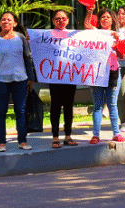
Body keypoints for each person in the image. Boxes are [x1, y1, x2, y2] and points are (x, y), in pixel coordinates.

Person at [0, 11, 37, 152]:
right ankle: (1, 142)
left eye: (9, 19)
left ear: (15, 23)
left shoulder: (21, 38)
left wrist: (31, 77)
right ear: (0, 23)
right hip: (0, 79)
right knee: (1, 112)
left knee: (20, 111)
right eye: (3, 19)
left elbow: (28, 58)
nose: (5, 21)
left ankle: (22, 141)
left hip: (20, 79)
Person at [87, 10, 123, 144]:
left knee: (112, 104)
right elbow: (87, 24)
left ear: (112, 20)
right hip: (97, 73)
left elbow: (122, 56)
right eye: (103, 17)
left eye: (108, 17)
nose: (105, 19)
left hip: (113, 72)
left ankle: (116, 133)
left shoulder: (117, 35)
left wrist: (117, 45)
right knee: (97, 105)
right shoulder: (95, 33)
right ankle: (96, 135)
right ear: (99, 20)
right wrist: (89, 12)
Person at [47, 10, 79, 148]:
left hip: (70, 76)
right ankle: (55, 137)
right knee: (55, 105)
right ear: (53, 21)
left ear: (67, 20)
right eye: (57, 18)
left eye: (63, 18)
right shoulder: (46, 36)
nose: (61, 21)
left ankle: (68, 135)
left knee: (68, 106)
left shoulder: (74, 35)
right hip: (54, 76)